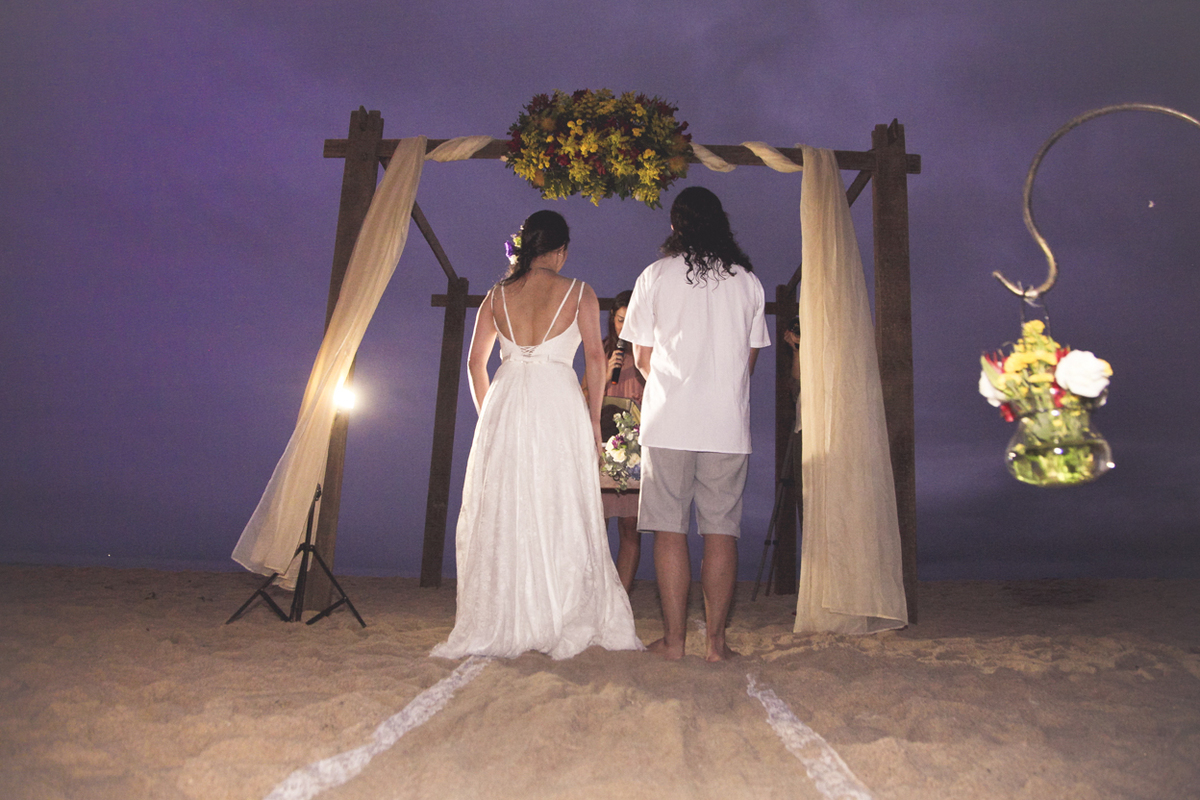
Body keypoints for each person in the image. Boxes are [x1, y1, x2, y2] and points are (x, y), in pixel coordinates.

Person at [431, 210, 643, 660]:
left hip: (507, 399)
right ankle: (560, 613)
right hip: (556, 400)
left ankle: (509, 613)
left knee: (510, 507)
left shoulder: (495, 295)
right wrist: (592, 419)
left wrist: (489, 414)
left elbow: (475, 364)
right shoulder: (579, 291)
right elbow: (594, 357)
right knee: (558, 501)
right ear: (561, 250)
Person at [622, 186, 770, 662]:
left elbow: (641, 357)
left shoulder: (654, 275)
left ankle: (673, 642)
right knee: (721, 532)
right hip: (726, 424)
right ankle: (716, 644)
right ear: (720, 222)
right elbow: (748, 364)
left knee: (669, 531)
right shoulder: (747, 282)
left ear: (675, 225)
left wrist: (671, 382)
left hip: (668, 421)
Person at [581, 290, 645, 592]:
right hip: (602, 444)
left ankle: (622, 596)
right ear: (612, 320)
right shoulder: (602, 350)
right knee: (596, 525)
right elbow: (580, 398)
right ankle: (595, 594)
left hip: (634, 447)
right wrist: (604, 377)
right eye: (620, 320)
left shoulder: (650, 354)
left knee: (630, 527)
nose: (625, 327)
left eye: (631, 320)